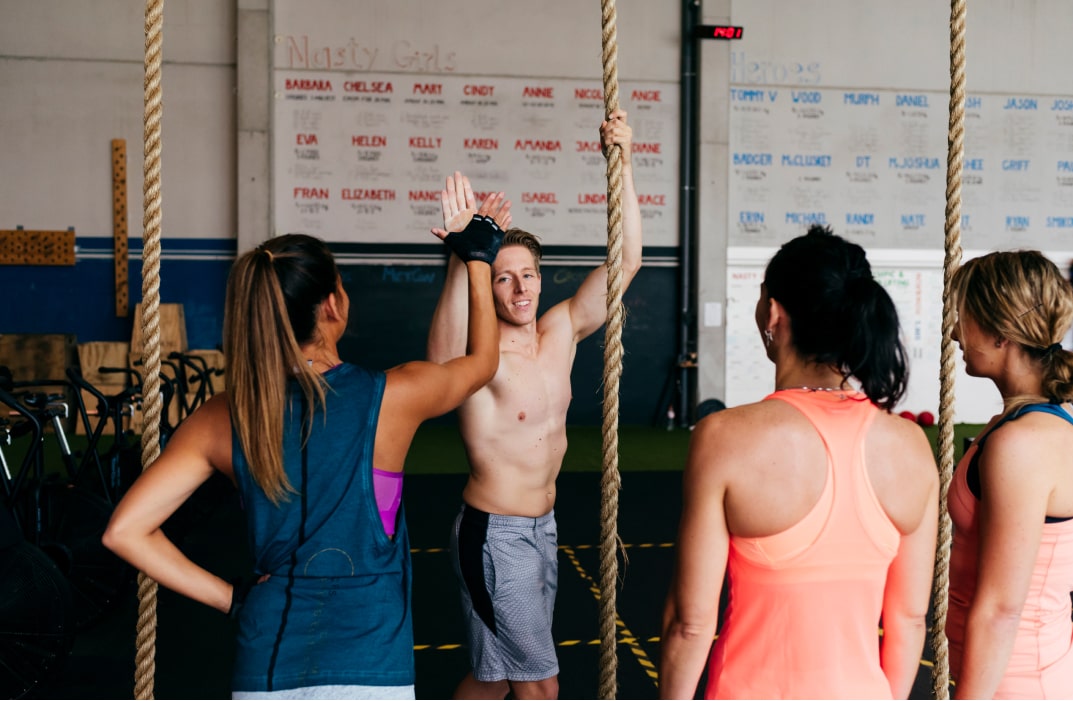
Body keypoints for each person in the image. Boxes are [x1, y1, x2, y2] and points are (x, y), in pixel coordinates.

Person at [102, 217, 507, 699]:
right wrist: (478, 257)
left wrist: (232, 599)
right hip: (370, 668)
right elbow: (483, 362)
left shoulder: (223, 415)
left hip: (266, 669)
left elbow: (124, 532)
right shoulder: (394, 395)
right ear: (332, 304)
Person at [659, 225, 939, 699]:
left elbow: (690, 624)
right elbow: (910, 620)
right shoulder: (911, 445)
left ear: (772, 312)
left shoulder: (724, 437)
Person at [426, 109, 642, 700]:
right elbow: (443, 363)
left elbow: (626, 264)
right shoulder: (481, 352)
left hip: (542, 529)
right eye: (501, 278)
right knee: (539, 685)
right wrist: (461, 254)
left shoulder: (560, 332)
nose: (520, 289)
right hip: (493, 535)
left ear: (542, 279)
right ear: (484, 285)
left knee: (494, 678)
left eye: (528, 275)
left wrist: (621, 159)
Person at [945, 250, 1073, 699]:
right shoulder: (1020, 426)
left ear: (1001, 334)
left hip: (1014, 684)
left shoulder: (1023, 443)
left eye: (964, 317)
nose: (955, 332)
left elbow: (1003, 608)